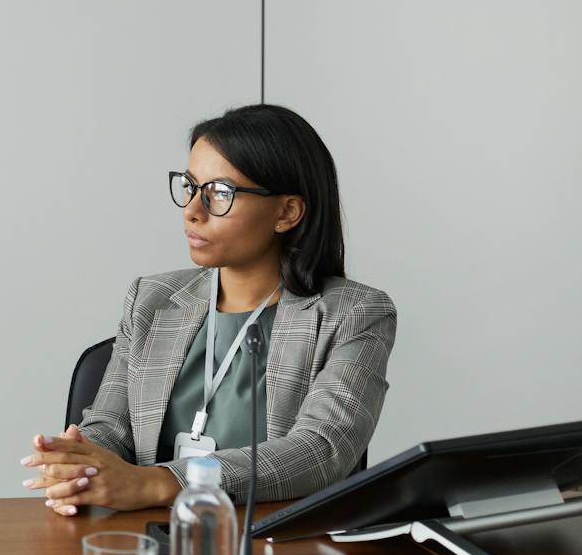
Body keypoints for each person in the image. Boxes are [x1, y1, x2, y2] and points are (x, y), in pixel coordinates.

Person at [22, 103, 395, 515]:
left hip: (279, 546)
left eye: (220, 192)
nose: (192, 211)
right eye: (190, 186)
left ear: (287, 212)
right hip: (155, 538)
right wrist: (79, 462)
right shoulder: (151, 299)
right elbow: (111, 426)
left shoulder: (355, 313)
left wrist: (160, 482)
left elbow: (321, 451)